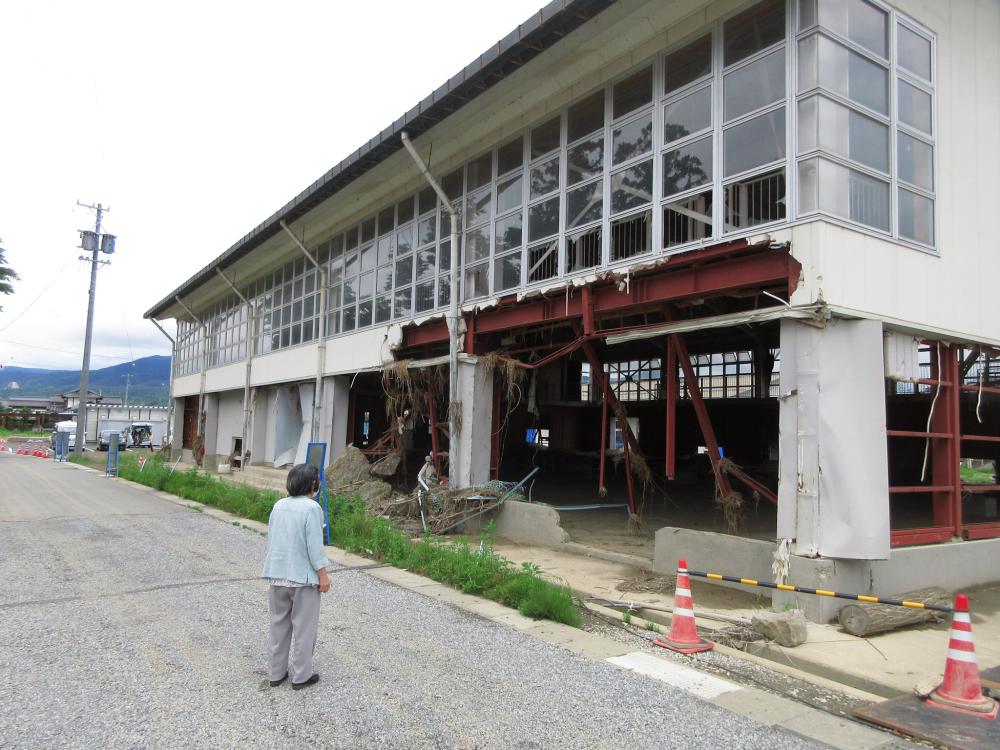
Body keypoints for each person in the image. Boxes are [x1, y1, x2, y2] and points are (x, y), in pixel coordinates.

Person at [261, 463, 330, 690]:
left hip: (277, 575)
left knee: (278, 624)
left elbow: (273, 538)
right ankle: (301, 676)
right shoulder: (311, 508)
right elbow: (314, 547)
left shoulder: (278, 505)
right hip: (302, 578)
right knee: (304, 627)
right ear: (313, 484)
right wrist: (323, 575)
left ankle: (275, 673)